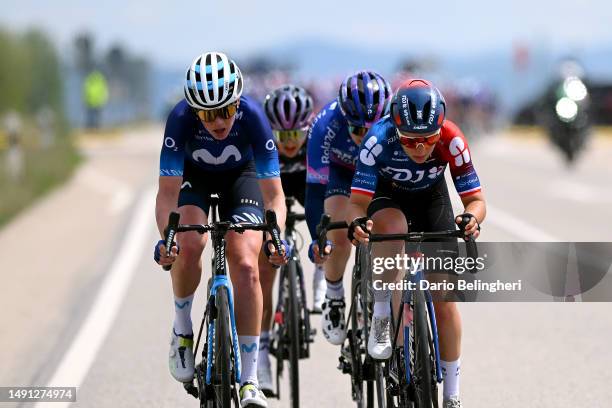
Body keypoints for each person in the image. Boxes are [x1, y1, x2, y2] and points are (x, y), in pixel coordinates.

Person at [154, 51, 289, 408]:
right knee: (188, 243)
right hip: (193, 179)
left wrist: (277, 236)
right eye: (209, 114)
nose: (218, 121)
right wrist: (165, 240)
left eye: (226, 110)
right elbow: (167, 195)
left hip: (240, 178)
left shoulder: (254, 117)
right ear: (194, 111)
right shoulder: (180, 119)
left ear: (237, 103)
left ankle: (249, 380)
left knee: (246, 263)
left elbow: (275, 196)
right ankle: (182, 327)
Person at [346, 79, 486, 408]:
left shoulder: (452, 139)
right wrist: (358, 222)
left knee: (445, 300)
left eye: (427, 140)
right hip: (386, 196)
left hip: (431, 200)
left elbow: (476, 200)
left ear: (440, 129)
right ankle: (382, 314)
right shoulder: (377, 140)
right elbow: (356, 204)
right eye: (410, 141)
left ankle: (451, 394)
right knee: (392, 229)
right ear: (396, 130)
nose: (420, 148)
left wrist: (471, 219)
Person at [304, 70, 392, 345]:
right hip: (342, 174)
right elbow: (315, 191)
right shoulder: (323, 126)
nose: (365, 137)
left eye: (372, 129)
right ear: (343, 117)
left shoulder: (394, 124)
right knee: (339, 234)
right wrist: (319, 238)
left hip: (378, 173)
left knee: (387, 233)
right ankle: (333, 294)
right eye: (357, 130)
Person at [256, 84, 323, 394]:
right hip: (273, 187)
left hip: (306, 183)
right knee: (264, 264)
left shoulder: (317, 140)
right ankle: (263, 356)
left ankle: (320, 275)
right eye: (282, 137)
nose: (290, 143)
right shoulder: (262, 142)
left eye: (296, 134)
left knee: (323, 219)